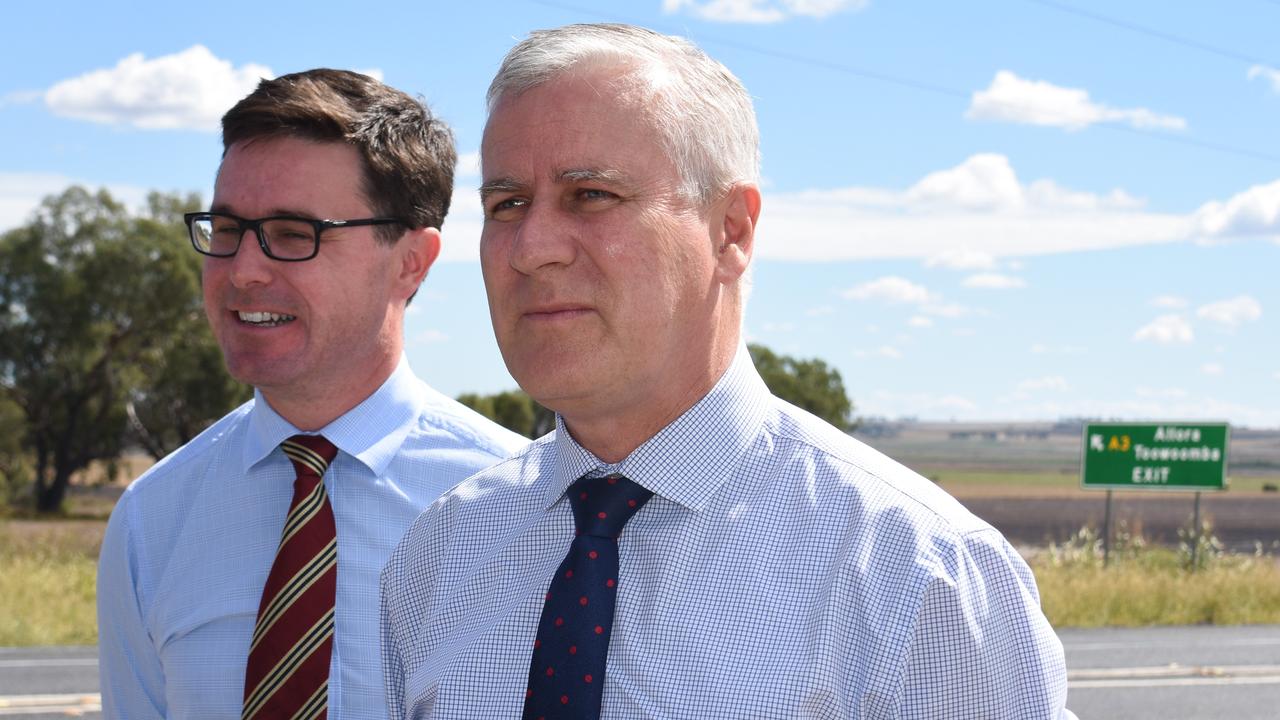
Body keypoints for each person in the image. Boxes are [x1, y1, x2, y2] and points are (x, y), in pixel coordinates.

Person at [380, 23, 1074, 719]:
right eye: (506, 205)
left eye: (590, 194)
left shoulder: (916, 578)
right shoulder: (442, 554)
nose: (531, 248)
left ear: (730, 232)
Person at [97, 69, 527, 719]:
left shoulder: (528, 509)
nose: (242, 270)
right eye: (226, 229)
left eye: (294, 234)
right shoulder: (153, 521)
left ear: (411, 261)